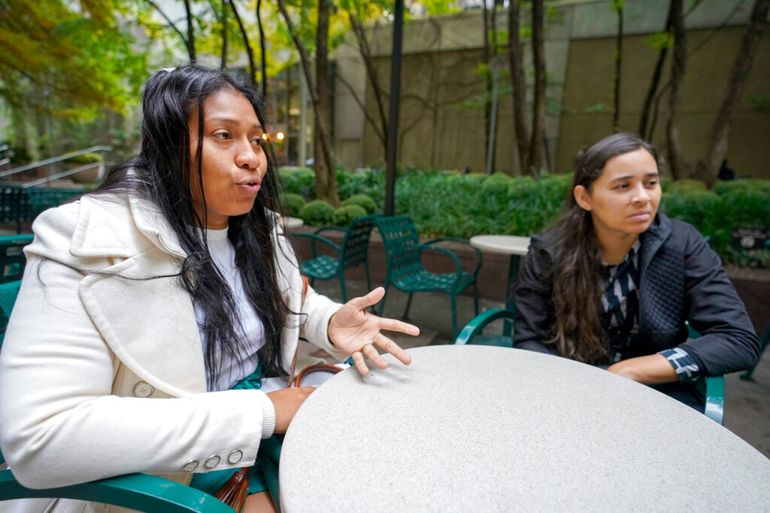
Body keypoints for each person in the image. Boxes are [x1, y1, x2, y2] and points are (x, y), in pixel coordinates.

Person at [0, 64, 419, 513]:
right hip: (162, 476)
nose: (252, 157)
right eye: (224, 135)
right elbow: (40, 439)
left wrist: (328, 321)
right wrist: (266, 411)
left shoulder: (258, 229)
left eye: (256, 139)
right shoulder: (83, 237)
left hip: (264, 429)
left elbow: (287, 299)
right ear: (168, 146)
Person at [513, 132, 759, 410]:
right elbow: (528, 340)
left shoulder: (682, 244)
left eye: (651, 183)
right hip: (567, 391)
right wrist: (570, 387)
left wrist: (629, 371)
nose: (642, 197)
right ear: (584, 197)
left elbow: (738, 339)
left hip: (656, 395)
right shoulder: (549, 251)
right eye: (623, 186)